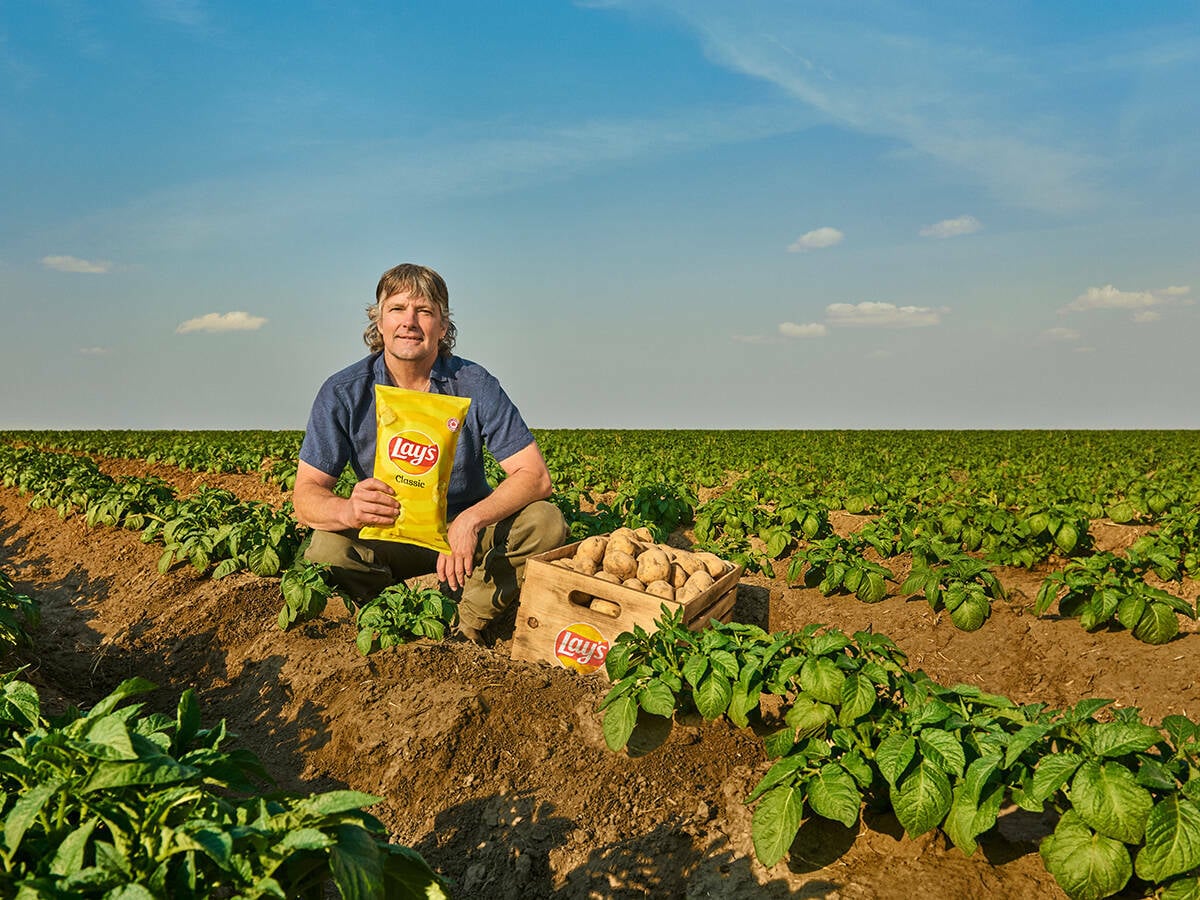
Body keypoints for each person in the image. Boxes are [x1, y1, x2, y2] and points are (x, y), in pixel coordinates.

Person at [294, 263, 567, 642]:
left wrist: (471, 520)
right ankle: (389, 612)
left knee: (545, 523)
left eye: (424, 311)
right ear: (379, 322)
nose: (409, 322)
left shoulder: (473, 384)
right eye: (397, 309)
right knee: (327, 549)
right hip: (388, 533)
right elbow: (305, 495)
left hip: (463, 535)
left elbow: (534, 476)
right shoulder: (343, 391)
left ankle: (465, 623)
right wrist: (348, 510)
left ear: (443, 326)